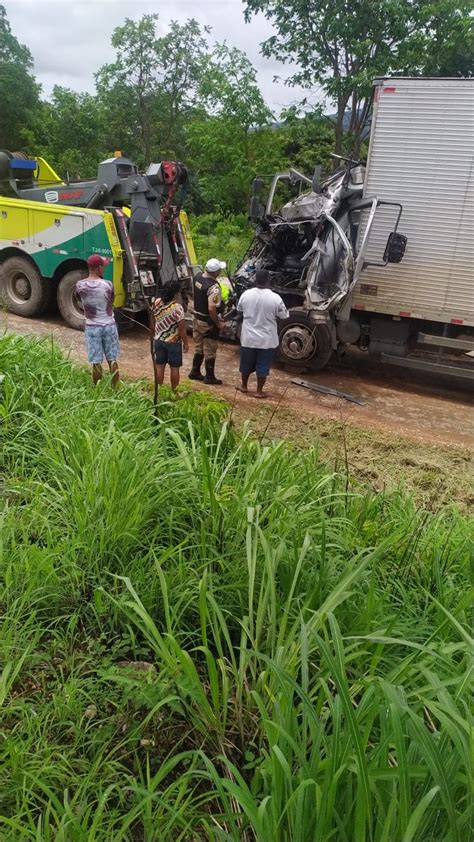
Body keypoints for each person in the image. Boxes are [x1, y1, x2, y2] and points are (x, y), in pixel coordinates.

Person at [236, 268, 289, 398]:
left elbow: (239, 312)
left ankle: (244, 386)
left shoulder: (246, 294)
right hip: (266, 339)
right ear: (268, 280)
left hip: (248, 337)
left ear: (255, 280)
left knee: (246, 363)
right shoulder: (275, 298)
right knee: (263, 365)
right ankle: (259, 391)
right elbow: (284, 316)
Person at [76, 254, 120, 386]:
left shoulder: (80, 285)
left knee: (96, 361)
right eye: (103, 266)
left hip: (92, 327)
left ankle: (97, 388)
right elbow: (112, 301)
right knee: (112, 359)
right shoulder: (108, 285)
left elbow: (78, 299)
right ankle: (115, 388)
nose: (104, 269)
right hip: (109, 325)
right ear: (98, 268)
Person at [188, 258, 226, 385]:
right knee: (210, 348)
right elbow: (212, 308)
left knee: (199, 346)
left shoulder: (198, 277)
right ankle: (209, 377)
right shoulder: (213, 287)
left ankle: (195, 371)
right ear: (216, 272)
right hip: (207, 322)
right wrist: (217, 323)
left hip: (196, 318)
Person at [151, 280, 189, 392]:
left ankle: (159, 391)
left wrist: (155, 332)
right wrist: (186, 343)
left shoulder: (157, 302)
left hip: (158, 340)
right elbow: (181, 328)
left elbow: (152, 319)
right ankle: (174, 392)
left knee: (159, 366)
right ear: (176, 293)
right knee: (174, 368)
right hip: (173, 342)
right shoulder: (177, 307)